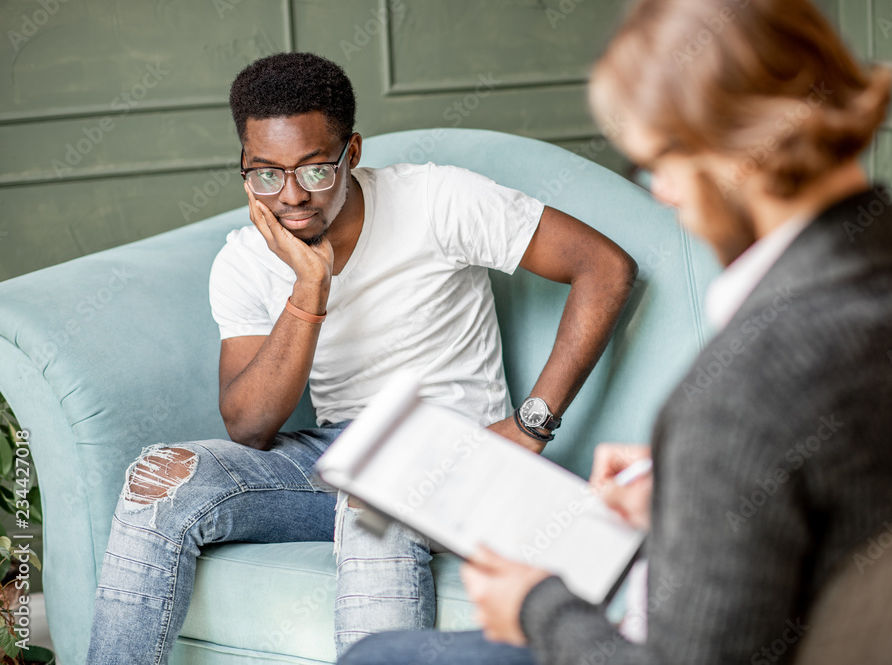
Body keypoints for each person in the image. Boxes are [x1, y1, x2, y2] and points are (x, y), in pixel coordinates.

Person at [339, 0, 892, 663]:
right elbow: (854, 505)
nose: (661, 192)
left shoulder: (751, 379)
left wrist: (535, 603)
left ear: (734, 151)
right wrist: (695, 493)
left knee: (378, 656)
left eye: (660, 162)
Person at [85, 52, 637, 664]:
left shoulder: (437, 198)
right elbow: (249, 426)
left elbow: (605, 266)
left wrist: (533, 422)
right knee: (159, 480)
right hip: (338, 454)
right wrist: (308, 289)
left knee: (376, 494)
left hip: (451, 451)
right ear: (244, 168)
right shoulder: (243, 259)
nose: (290, 195)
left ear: (351, 153)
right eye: (265, 174)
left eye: (314, 170)